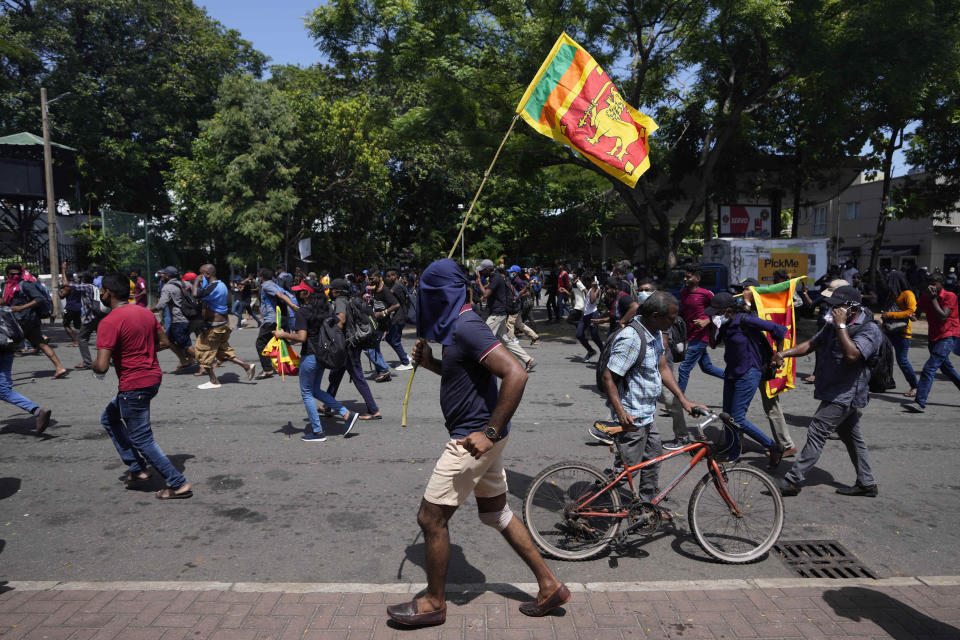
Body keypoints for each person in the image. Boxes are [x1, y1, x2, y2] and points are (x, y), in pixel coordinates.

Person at [386, 258, 570, 627]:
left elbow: (515, 373)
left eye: (430, 293)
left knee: (430, 518)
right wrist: (431, 364)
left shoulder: (468, 326)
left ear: (445, 293)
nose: (425, 300)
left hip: (472, 442)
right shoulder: (458, 327)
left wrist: (487, 435)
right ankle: (549, 585)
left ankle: (434, 603)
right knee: (496, 514)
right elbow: (465, 373)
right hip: (485, 438)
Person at [591, 291, 708, 504]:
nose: (675, 322)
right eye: (671, 318)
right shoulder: (631, 339)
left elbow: (662, 367)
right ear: (656, 315)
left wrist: (683, 400)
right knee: (626, 470)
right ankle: (587, 505)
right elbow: (609, 377)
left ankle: (645, 506)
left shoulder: (653, 332)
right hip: (631, 416)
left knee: (653, 461)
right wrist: (620, 413)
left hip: (646, 413)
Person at [93, 273, 192, 500]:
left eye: (102, 291)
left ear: (108, 293)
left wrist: (97, 364)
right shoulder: (145, 313)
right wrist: (139, 351)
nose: (101, 294)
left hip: (134, 385)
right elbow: (165, 343)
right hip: (152, 378)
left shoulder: (108, 322)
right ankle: (137, 469)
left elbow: (101, 367)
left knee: (141, 438)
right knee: (109, 418)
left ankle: (178, 484)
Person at [775, 286, 881, 497]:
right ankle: (867, 483)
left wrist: (841, 325)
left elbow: (852, 355)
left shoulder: (869, 330)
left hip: (847, 393)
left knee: (817, 430)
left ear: (852, 308)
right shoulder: (833, 324)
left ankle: (793, 481)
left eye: (836, 306)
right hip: (833, 388)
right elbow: (812, 344)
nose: (831, 309)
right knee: (851, 436)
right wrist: (783, 353)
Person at [272, 278, 360, 441]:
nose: (297, 293)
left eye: (300, 291)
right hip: (322, 355)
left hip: (310, 355)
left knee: (306, 392)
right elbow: (304, 314)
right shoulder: (325, 308)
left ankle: (318, 431)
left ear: (306, 294)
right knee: (315, 390)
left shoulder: (304, 312)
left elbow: (301, 337)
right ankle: (347, 414)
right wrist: (288, 302)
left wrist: (283, 334)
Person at [706, 292, 786, 467]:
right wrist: (714, 326)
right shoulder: (724, 324)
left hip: (749, 372)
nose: (714, 316)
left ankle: (773, 446)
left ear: (728, 311)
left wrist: (779, 354)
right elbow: (712, 344)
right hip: (732, 373)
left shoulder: (746, 320)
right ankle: (733, 455)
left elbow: (780, 330)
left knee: (737, 418)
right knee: (728, 416)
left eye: (717, 313)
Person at [192, 264, 256, 389]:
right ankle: (247, 366)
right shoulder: (220, 284)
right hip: (222, 326)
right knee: (223, 352)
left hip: (214, 327)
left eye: (201, 274)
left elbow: (195, 294)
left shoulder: (213, 287)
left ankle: (214, 381)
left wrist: (196, 282)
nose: (200, 276)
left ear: (207, 274)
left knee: (202, 351)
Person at [326, 278, 381, 420]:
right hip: (350, 344)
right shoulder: (350, 299)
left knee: (358, 377)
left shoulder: (339, 301)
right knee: (335, 375)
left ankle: (374, 410)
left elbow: (341, 319)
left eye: (332, 289)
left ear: (337, 291)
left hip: (348, 346)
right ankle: (327, 405)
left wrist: (329, 333)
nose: (330, 291)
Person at [905, 273, 960, 412]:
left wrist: (934, 299)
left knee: (929, 368)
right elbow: (917, 312)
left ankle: (919, 402)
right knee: (947, 369)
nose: (931, 286)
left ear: (941, 284)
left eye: (934, 283)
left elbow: (943, 316)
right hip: (934, 337)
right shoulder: (925, 297)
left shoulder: (950, 296)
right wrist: (913, 316)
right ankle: (920, 401)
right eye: (929, 283)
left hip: (948, 335)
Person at [2, 263, 67, 379]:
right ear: (7, 274)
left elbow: (39, 299)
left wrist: (21, 308)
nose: (15, 276)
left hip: (26, 320)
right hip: (19, 320)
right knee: (40, 343)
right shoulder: (8, 286)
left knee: (8, 346)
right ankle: (59, 367)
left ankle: (5, 376)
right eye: (12, 274)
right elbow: (6, 301)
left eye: (17, 274)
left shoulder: (24, 285)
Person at [477, 260, 535, 372]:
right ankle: (527, 359)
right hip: (499, 312)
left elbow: (485, 294)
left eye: (482, 270)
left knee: (484, 338)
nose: (481, 272)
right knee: (506, 340)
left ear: (488, 269)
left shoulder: (496, 278)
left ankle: (483, 365)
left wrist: (479, 281)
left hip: (497, 314)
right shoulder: (495, 278)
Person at [676, 265, 724, 392]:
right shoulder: (683, 293)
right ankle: (733, 379)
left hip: (700, 337)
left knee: (684, 368)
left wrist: (706, 321)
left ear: (697, 278)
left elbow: (721, 311)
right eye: (684, 276)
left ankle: (677, 402)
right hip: (689, 335)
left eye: (688, 277)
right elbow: (684, 312)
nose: (685, 279)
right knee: (707, 367)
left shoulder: (706, 294)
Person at [254, 268, 300, 379]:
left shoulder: (267, 285)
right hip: (278, 319)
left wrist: (292, 306)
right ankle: (296, 364)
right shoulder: (274, 284)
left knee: (260, 343)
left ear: (261, 277)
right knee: (281, 342)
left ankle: (268, 370)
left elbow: (281, 295)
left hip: (272, 320)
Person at [880, 270, 918, 398]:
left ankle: (915, 386)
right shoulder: (892, 293)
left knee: (902, 361)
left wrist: (889, 314)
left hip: (902, 332)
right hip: (889, 330)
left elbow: (911, 312)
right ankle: (888, 381)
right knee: (885, 357)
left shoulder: (908, 294)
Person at [150, 267, 196, 371]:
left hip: (178, 320)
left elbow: (161, 305)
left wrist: (148, 311)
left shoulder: (168, 287)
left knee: (187, 346)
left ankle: (205, 364)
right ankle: (184, 361)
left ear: (168, 276)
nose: (162, 276)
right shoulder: (186, 284)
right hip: (190, 317)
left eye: (163, 274)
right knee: (168, 341)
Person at [364, 269, 401, 382]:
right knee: (375, 348)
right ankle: (382, 372)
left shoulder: (385, 290)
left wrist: (383, 313)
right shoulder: (376, 290)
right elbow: (378, 304)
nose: (370, 281)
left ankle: (384, 369)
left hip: (382, 324)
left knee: (368, 348)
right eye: (369, 278)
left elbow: (396, 305)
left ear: (379, 277)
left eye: (372, 278)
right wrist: (369, 301)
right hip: (376, 323)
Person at [384, 269, 413, 371]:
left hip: (398, 317)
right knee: (388, 338)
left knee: (395, 340)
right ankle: (404, 355)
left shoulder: (396, 287)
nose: (386, 278)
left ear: (394, 276)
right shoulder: (399, 285)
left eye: (388, 276)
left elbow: (387, 295)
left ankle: (406, 363)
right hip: (399, 316)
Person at [507, 265, 539, 345]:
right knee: (519, 324)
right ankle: (534, 336)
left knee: (509, 323)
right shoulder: (513, 280)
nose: (510, 273)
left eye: (511, 272)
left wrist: (517, 297)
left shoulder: (518, 281)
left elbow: (527, 293)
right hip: (516, 304)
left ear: (516, 273)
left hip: (516, 305)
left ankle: (513, 339)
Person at [576, 273, 604, 362]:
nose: (586, 283)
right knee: (579, 334)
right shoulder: (590, 289)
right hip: (585, 315)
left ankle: (604, 352)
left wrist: (594, 287)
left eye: (587, 281)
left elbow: (592, 301)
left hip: (593, 315)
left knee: (595, 336)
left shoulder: (597, 289)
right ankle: (591, 351)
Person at [58, 263, 82, 346]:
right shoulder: (78, 285)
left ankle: (75, 341)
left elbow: (61, 296)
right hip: (78, 308)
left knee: (66, 325)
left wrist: (58, 289)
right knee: (78, 326)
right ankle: (81, 340)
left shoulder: (68, 286)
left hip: (70, 308)